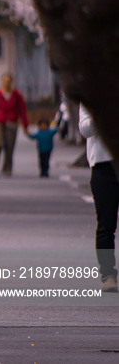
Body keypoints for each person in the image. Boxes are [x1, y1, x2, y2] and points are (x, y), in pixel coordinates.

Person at [79, 104, 119, 293]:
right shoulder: (91, 93)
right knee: (106, 224)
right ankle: (108, 274)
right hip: (103, 166)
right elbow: (84, 129)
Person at [0, 73, 28, 177]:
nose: (7, 83)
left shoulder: (17, 95)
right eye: (5, 81)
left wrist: (25, 126)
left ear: (11, 82)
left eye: (9, 81)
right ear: (1, 82)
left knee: (9, 146)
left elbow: (22, 111)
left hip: (11, 123)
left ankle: (7, 168)